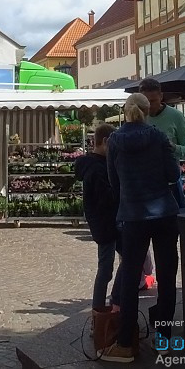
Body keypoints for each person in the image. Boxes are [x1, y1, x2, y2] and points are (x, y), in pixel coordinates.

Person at [103, 94, 181, 363]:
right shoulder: (158, 137)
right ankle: (163, 341)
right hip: (164, 213)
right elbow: (174, 175)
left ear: (125, 112)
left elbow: (113, 181)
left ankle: (125, 344)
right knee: (167, 278)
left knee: (130, 278)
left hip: (134, 215)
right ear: (148, 111)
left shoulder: (114, 141)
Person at [75, 123, 122, 314]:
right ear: (105, 142)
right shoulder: (97, 168)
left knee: (120, 263)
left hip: (106, 223)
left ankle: (107, 305)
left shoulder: (94, 165)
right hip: (107, 224)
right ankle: (100, 310)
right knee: (106, 269)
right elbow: (105, 199)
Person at [139, 77, 185, 208]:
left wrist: (173, 147)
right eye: (146, 102)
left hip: (170, 181)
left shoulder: (176, 116)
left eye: (153, 101)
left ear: (161, 96)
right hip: (144, 181)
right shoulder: (138, 117)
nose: (150, 106)